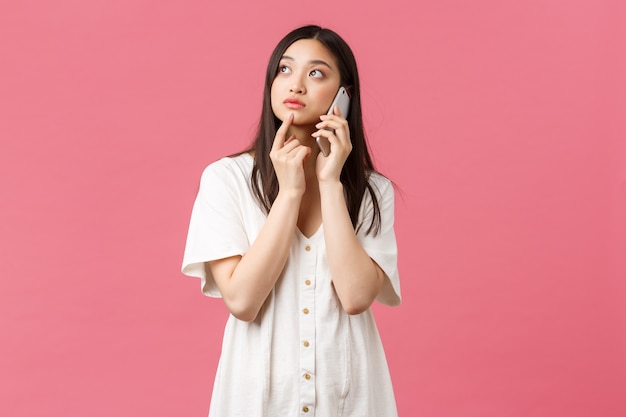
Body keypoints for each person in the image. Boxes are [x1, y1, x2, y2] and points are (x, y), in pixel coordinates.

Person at [182, 25, 401, 417]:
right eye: (285, 69)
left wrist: (330, 182)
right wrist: (290, 194)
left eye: (316, 73)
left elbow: (354, 298)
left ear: (344, 96)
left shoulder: (371, 190)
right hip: (257, 400)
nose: (295, 85)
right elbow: (243, 301)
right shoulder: (226, 179)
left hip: (349, 400)